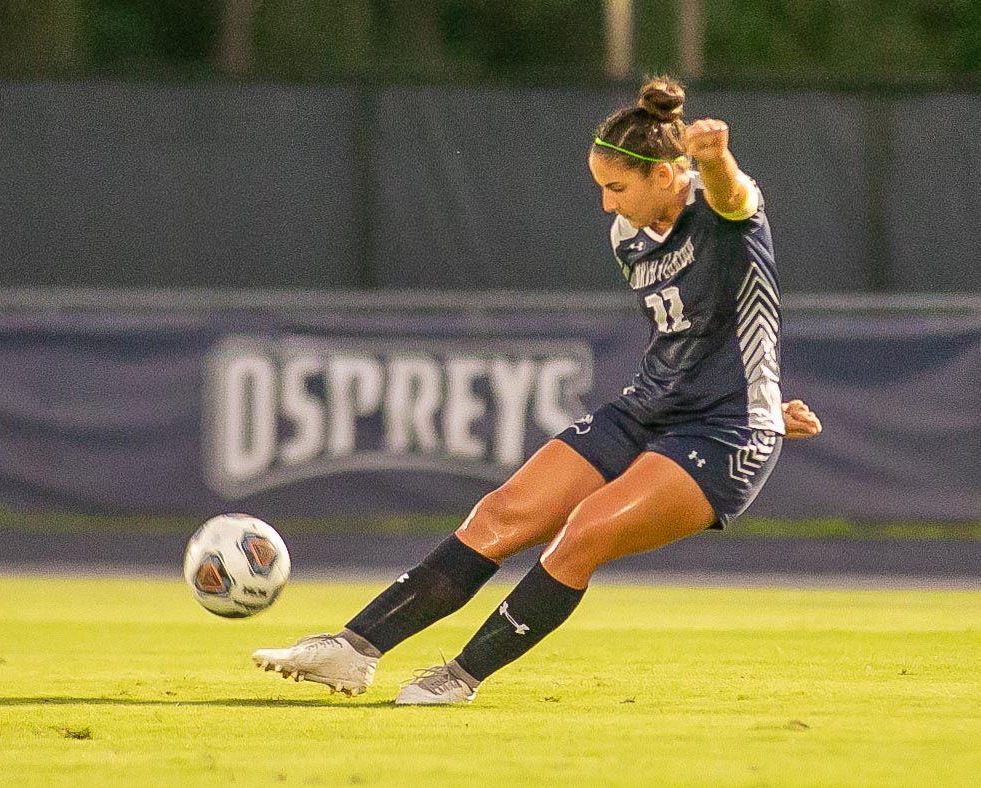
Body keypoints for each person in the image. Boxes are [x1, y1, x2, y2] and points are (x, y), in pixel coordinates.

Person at [252, 76, 823, 705]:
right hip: (649, 407)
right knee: (501, 514)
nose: (606, 205)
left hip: (723, 432)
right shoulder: (627, 236)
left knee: (584, 531)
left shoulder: (722, 208)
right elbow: (709, 323)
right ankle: (353, 650)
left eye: (616, 188)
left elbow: (735, 198)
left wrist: (716, 161)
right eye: (601, 188)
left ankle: (459, 678)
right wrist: (764, 385)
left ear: (666, 174)